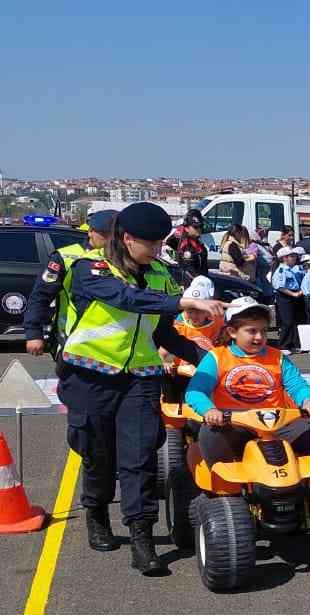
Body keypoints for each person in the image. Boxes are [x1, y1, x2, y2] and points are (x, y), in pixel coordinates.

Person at [56, 202, 226, 573]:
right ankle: (97, 512)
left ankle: (142, 537)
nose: (157, 249)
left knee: (140, 456)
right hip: (89, 376)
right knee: (98, 454)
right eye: (150, 243)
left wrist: (210, 359)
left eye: (161, 242)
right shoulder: (91, 268)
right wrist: (182, 300)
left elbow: (164, 331)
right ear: (126, 238)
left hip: (141, 377)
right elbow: (125, 298)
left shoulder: (161, 274)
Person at [185, 298, 310, 468]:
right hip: (234, 423)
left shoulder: (277, 357)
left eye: (263, 331)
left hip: (275, 423)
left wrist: (308, 400)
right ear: (232, 332)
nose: (259, 337)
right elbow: (195, 391)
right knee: (210, 434)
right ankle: (226, 479)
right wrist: (209, 410)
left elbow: (297, 385)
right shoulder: (217, 357)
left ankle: (298, 476)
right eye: (252, 331)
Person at [25, 209, 115, 357]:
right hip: (73, 338)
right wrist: (33, 333)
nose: (111, 240)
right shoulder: (66, 256)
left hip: (114, 343)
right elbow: (40, 296)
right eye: (105, 234)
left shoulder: (123, 259)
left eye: (115, 235)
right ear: (91, 232)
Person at [271, 245, 305, 353]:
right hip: (285, 296)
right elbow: (279, 286)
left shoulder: (292, 269)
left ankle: (294, 344)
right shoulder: (281, 270)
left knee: (295, 320)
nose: (295, 258)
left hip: (294, 295)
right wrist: (293, 294)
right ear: (284, 258)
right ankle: (283, 345)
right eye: (292, 256)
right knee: (287, 321)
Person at [166, 210, 209, 280]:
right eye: (195, 227)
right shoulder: (182, 242)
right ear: (186, 228)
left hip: (201, 280)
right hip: (189, 281)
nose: (199, 229)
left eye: (201, 226)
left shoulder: (199, 244)